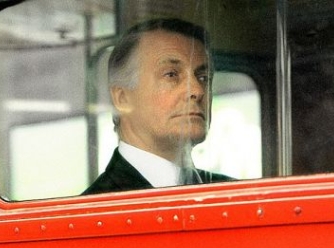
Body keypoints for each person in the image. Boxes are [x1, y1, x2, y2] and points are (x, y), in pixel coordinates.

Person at [83, 18, 232, 195]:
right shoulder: (95, 209)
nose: (198, 90)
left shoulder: (229, 192)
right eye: (171, 75)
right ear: (122, 98)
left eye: (203, 77)